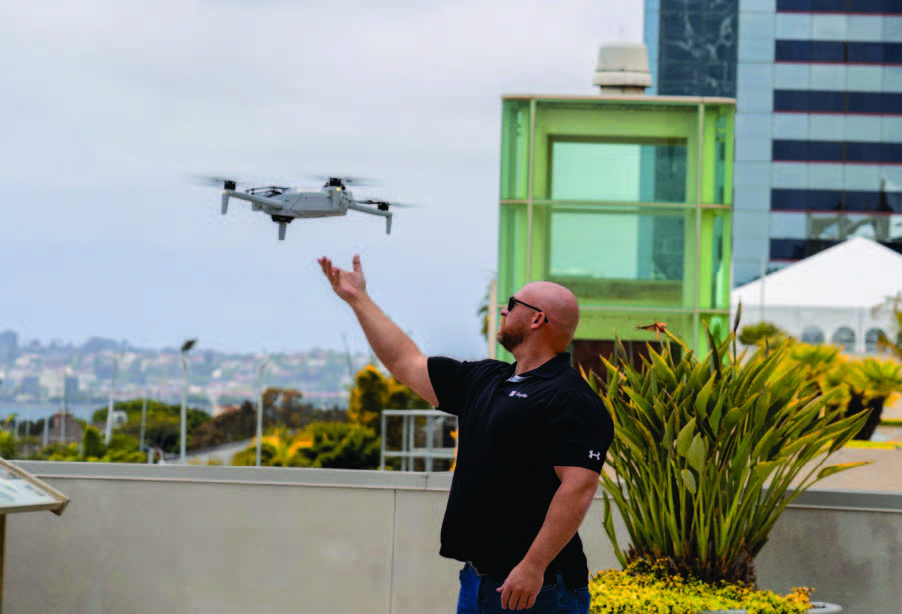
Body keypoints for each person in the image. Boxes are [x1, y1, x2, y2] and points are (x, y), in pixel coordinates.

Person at [318, 254, 614, 613]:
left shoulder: (571, 398)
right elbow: (406, 362)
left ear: (537, 319)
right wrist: (359, 300)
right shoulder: (485, 378)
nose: (503, 310)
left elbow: (578, 488)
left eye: (512, 304)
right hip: (476, 581)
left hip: (538, 588)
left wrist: (533, 566)